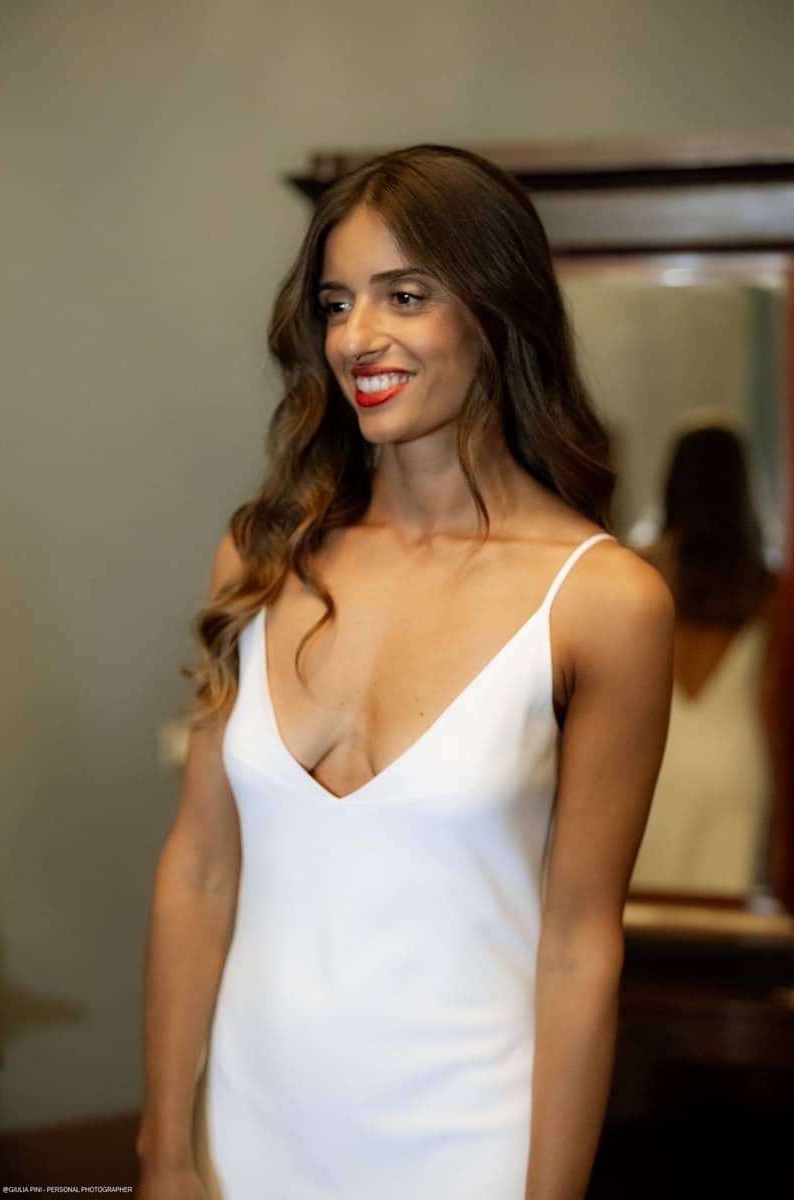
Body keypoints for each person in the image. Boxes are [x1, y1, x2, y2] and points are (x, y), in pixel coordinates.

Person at [136, 144, 673, 1200]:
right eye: (337, 304)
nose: (356, 337)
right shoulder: (262, 558)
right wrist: (163, 1153)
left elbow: (578, 949)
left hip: (470, 1150)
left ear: (496, 309)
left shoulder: (603, 602)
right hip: (242, 1142)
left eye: (405, 295)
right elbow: (199, 870)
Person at [631, 420, 777, 896]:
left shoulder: (635, 574)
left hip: (652, 762)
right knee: (726, 920)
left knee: (642, 919)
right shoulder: (768, 589)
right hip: (736, 764)